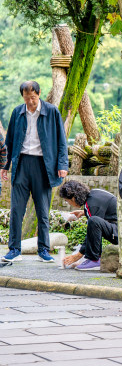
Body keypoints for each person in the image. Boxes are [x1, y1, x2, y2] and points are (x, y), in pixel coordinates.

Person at [1, 81, 68, 263]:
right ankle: (14, 249)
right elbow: (10, 140)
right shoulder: (18, 112)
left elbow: (61, 141)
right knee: (16, 210)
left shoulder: (52, 111)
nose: (30, 102)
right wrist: (5, 166)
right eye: (26, 98)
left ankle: (44, 250)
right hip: (21, 163)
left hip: (43, 165)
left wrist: (62, 165)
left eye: (33, 97)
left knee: (42, 211)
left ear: (39, 94)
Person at [58, 180, 118, 271]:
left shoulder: (91, 205)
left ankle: (94, 259)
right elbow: (105, 212)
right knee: (93, 220)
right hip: (121, 229)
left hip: (119, 233)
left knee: (93, 221)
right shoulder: (94, 195)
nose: (68, 204)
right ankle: (95, 257)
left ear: (73, 198)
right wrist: (84, 212)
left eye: (67, 201)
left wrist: (78, 255)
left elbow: (93, 228)